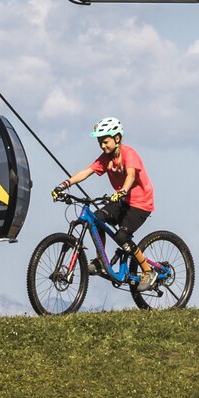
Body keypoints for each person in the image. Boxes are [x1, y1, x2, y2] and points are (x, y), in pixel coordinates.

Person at [55, 117, 159, 292]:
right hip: (122, 201)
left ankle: (148, 271)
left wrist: (123, 190)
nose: (102, 146)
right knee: (96, 219)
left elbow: (131, 175)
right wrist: (65, 184)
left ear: (117, 138)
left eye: (105, 142)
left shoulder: (129, 154)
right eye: (99, 142)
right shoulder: (106, 159)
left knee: (121, 237)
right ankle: (100, 261)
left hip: (140, 204)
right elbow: (87, 171)